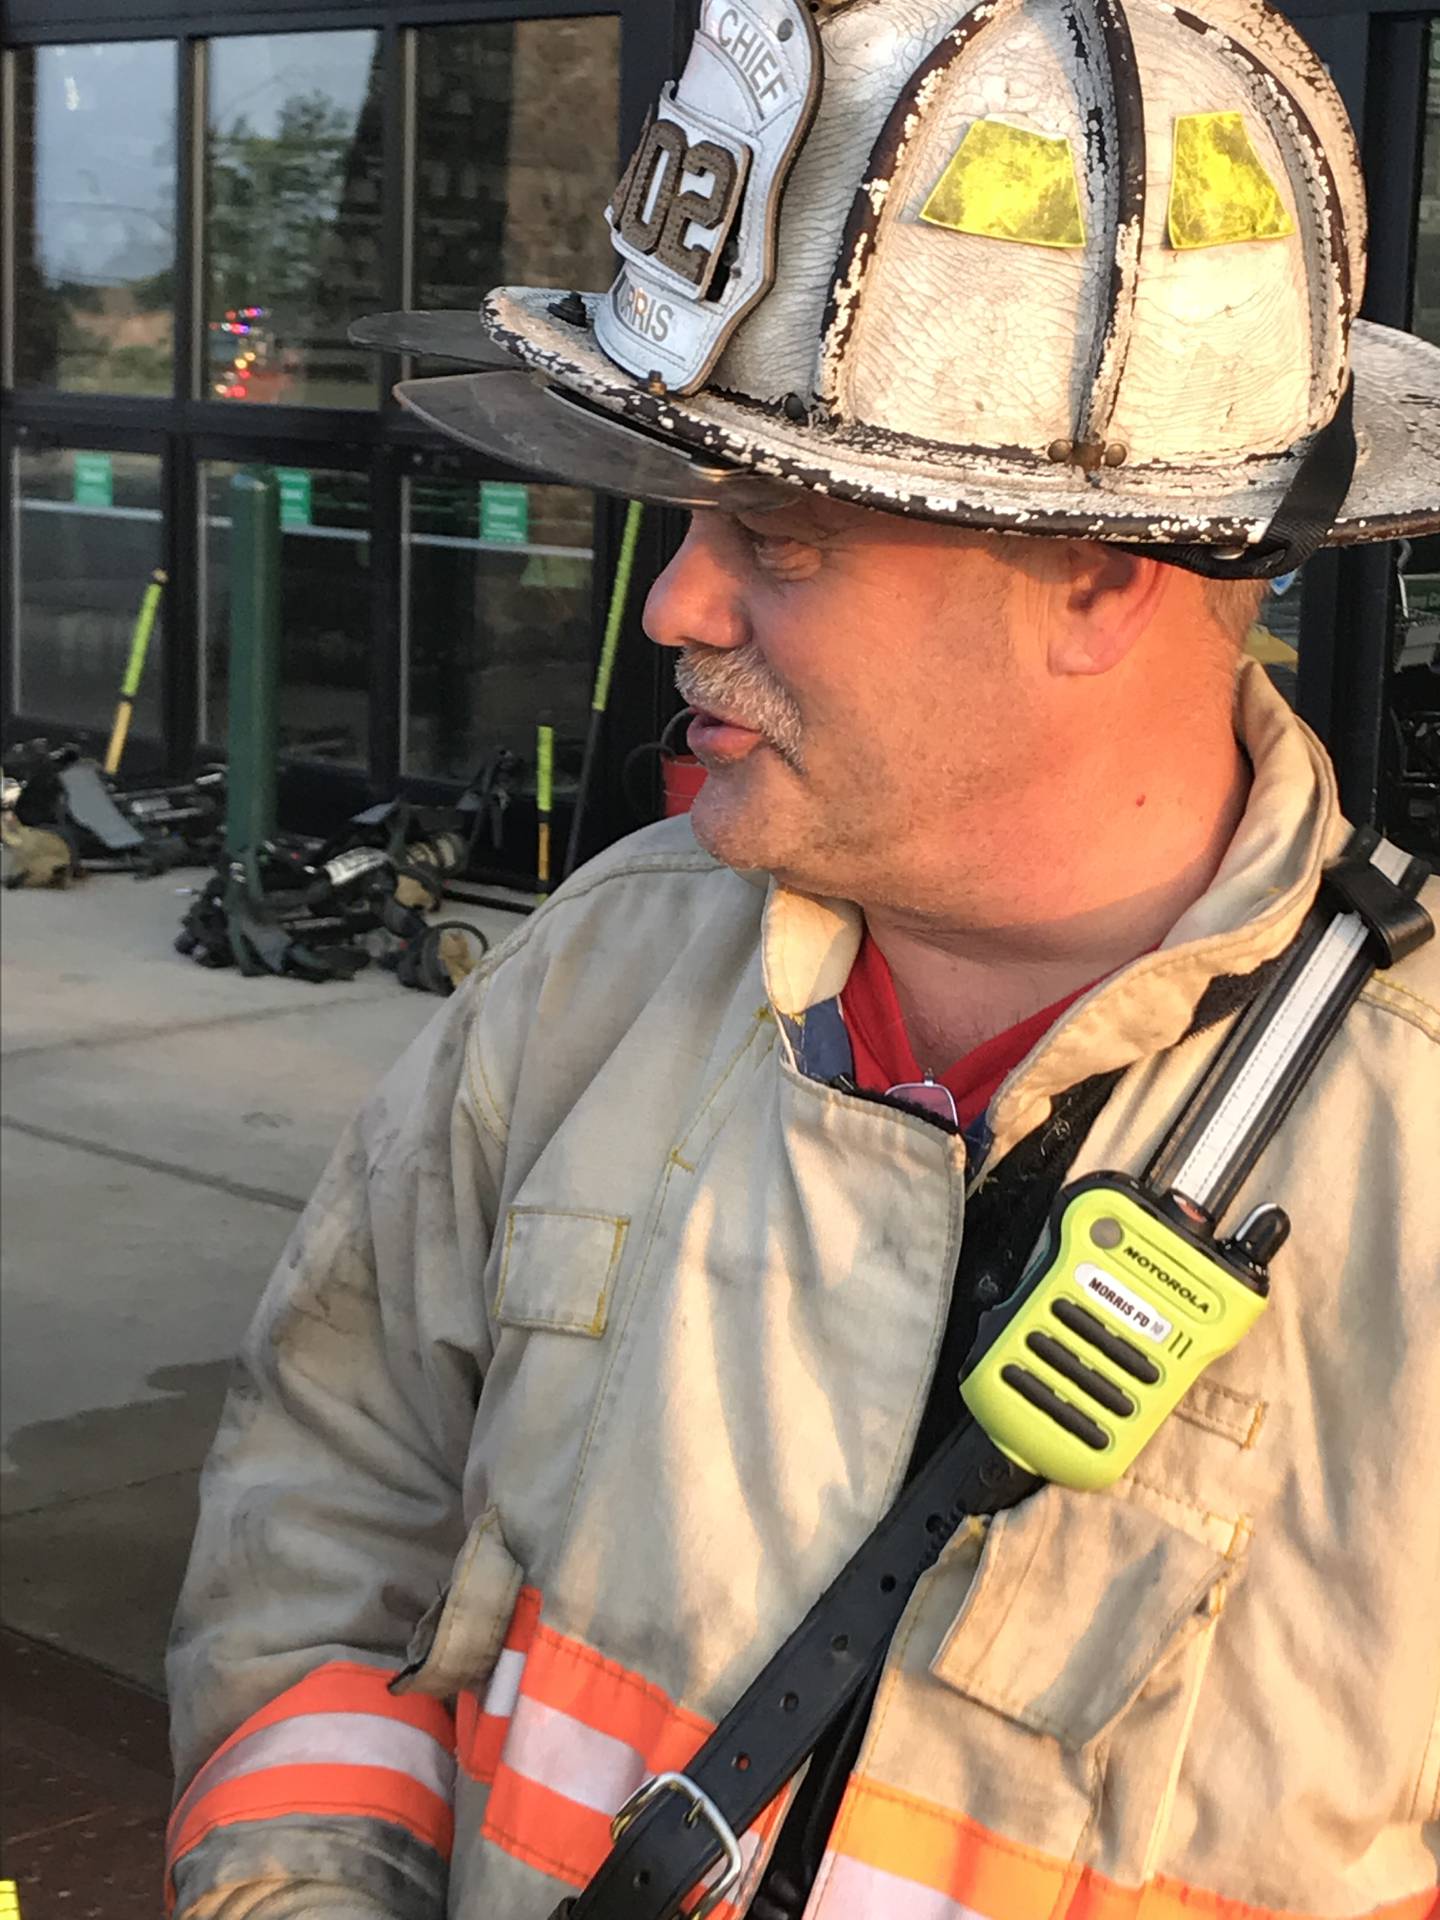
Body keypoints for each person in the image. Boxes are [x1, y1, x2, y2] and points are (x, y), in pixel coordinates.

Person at [165, 0, 1440, 1915]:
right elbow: (326, 1532)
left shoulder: (1411, 1159)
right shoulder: (600, 973)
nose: (674, 601)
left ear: (1105, 572)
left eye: (782, 531)